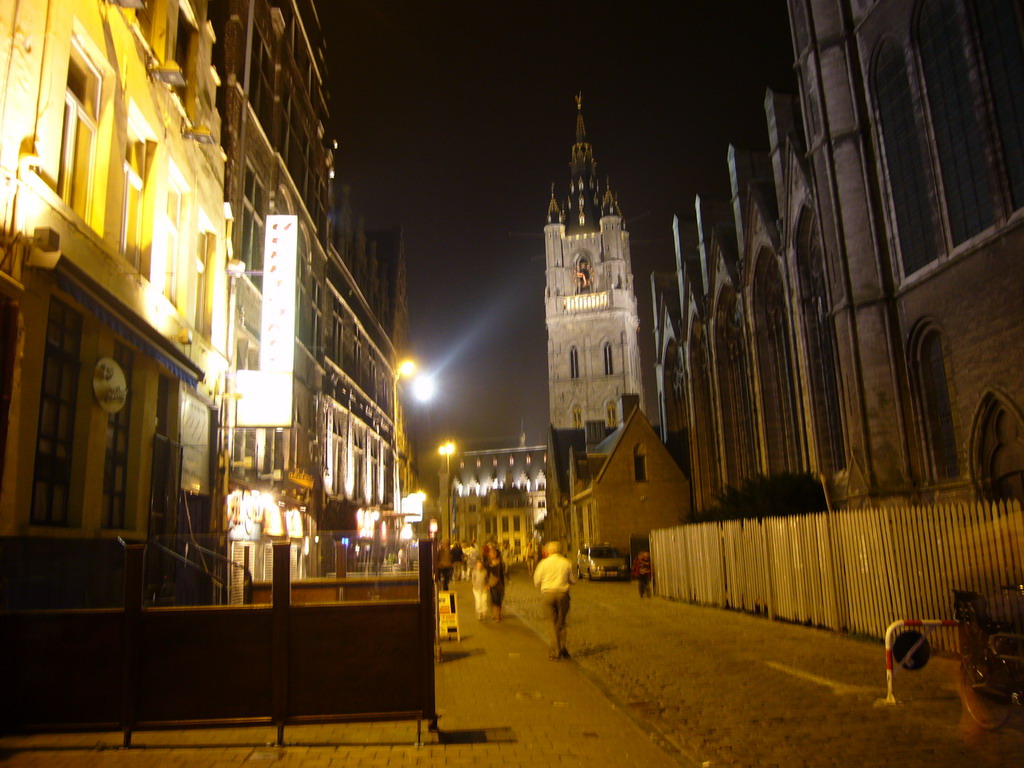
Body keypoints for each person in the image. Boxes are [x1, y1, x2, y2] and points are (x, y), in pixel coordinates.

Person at [533, 540, 574, 659]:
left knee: (550, 623)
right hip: (562, 594)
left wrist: (544, 584)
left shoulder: (543, 563)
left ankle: (555, 652)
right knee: (561, 623)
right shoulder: (566, 562)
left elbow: (536, 581)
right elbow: (573, 580)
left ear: (548, 551)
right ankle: (562, 648)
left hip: (548, 595)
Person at [486, 545, 506, 621]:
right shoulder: (488, 564)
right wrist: (487, 583)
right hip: (492, 584)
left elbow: (504, 571)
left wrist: (499, 564)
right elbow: (487, 574)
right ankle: (495, 615)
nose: (492, 555)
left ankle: (498, 614)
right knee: (494, 599)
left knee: (499, 599)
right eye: (490, 553)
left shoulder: (500, 563)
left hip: (500, 583)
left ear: (496, 554)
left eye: (493, 553)